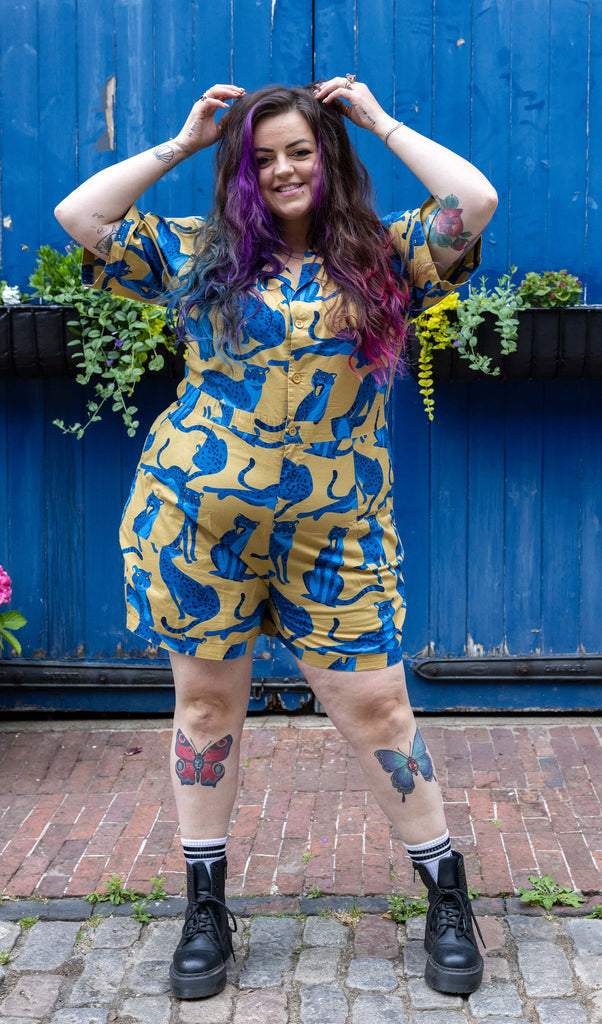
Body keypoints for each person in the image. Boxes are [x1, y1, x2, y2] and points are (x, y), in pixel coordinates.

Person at [55, 75, 497, 1000]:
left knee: (378, 710)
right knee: (208, 713)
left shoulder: (385, 258)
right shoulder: (199, 256)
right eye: (261, 160)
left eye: (299, 150)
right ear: (240, 176)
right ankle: (205, 907)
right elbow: (81, 215)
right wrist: (182, 145)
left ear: (328, 160)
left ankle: (446, 891)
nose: (283, 170)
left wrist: (378, 119)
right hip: (195, 525)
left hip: (337, 536)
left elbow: (472, 201)